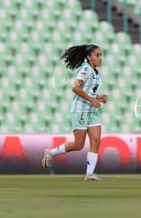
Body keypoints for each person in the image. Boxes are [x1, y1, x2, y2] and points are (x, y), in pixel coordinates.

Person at [42, 44, 107, 180]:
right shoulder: (86, 69)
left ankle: (89, 174)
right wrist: (91, 99)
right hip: (80, 110)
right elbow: (75, 88)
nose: (100, 58)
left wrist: (97, 98)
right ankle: (51, 153)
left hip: (91, 110)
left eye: (101, 55)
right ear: (89, 57)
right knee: (79, 145)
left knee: (96, 141)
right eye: (97, 55)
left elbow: (87, 91)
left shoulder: (95, 72)